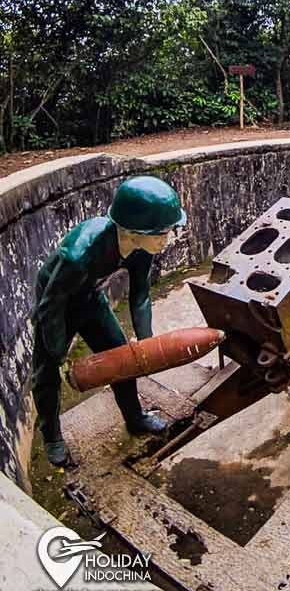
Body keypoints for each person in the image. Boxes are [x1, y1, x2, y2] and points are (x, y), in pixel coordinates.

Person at [31, 176, 187, 466]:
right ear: (132, 230)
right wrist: (57, 352)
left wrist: (147, 344)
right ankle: (52, 436)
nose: (167, 239)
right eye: (161, 233)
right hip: (55, 303)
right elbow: (51, 304)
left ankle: (135, 416)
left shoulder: (142, 247)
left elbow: (140, 295)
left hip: (90, 297)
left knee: (123, 361)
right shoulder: (79, 253)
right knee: (46, 374)